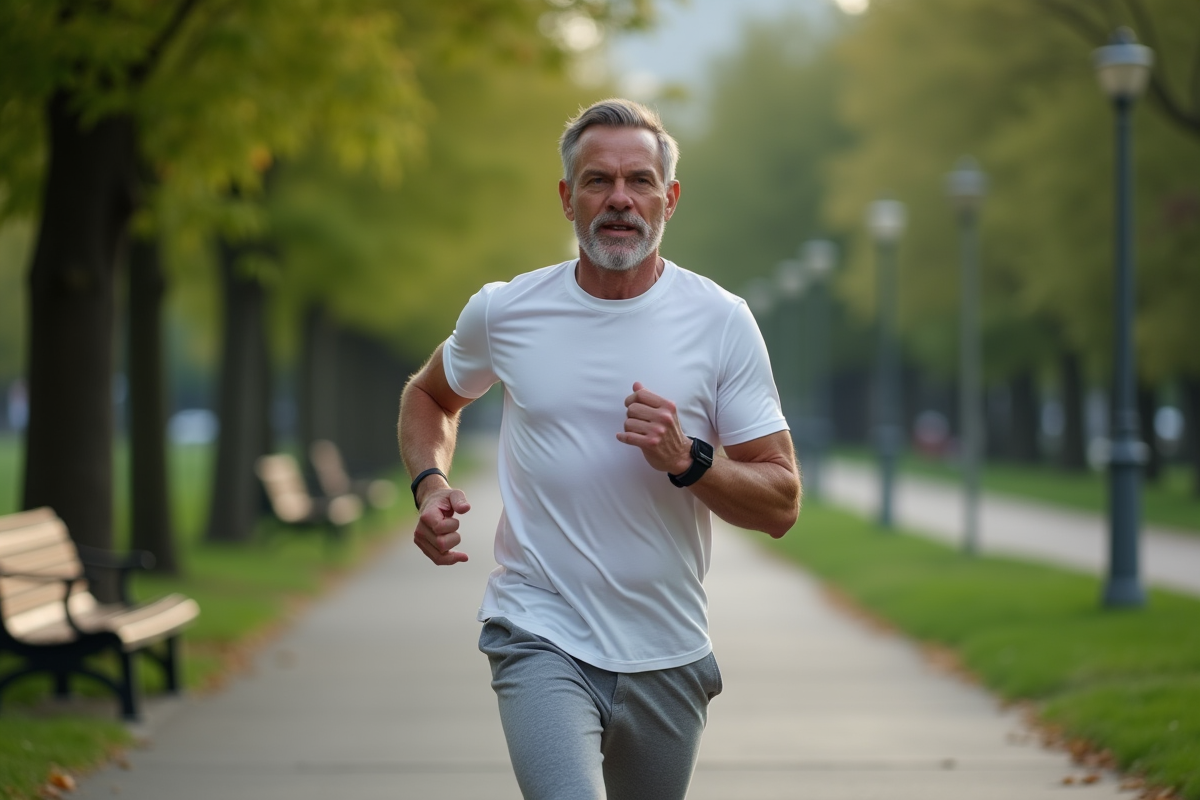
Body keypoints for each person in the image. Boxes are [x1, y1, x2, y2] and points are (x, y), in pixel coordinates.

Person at [398, 98, 801, 800]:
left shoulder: (721, 322)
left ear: (669, 199)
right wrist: (430, 483)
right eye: (598, 181)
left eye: (640, 180)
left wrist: (690, 460)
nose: (620, 199)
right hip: (538, 629)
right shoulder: (505, 310)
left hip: (667, 647)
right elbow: (430, 395)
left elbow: (781, 502)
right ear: (567, 197)